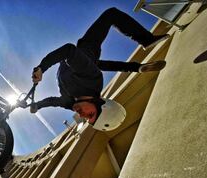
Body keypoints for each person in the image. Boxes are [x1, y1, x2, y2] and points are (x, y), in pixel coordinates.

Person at [30, 7, 169, 128]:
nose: (83, 116)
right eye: (90, 114)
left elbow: (53, 102)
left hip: (83, 66)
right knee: (111, 14)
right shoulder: (93, 80)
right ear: (100, 104)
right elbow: (68, 50)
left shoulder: (71, 103)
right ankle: (146, 39)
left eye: (86, 120)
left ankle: (137, 67)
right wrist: (42, 67)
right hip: (87, 49)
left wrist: (37, 106)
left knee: (98, 65)